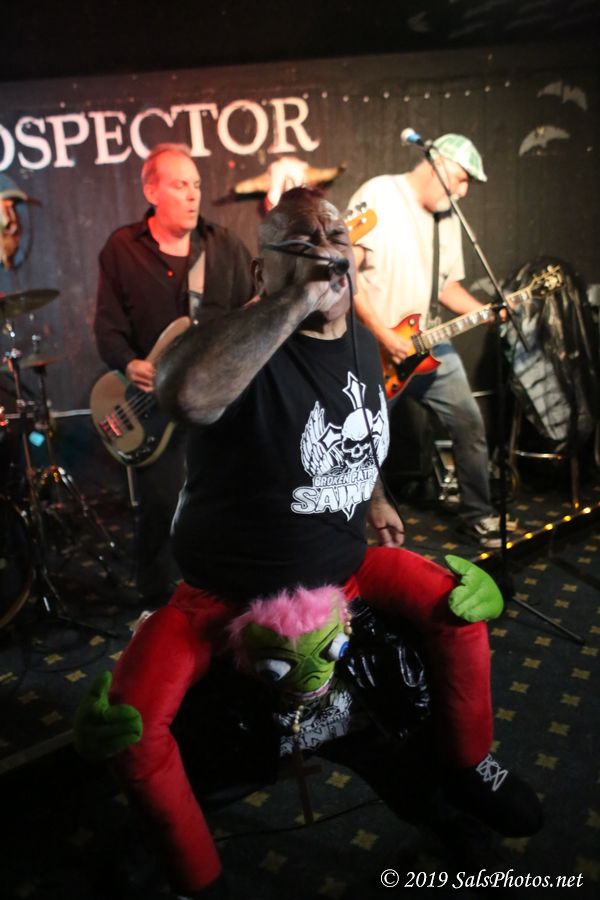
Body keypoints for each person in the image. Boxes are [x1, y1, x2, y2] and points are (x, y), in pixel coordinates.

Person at [83, 189, 541, 899]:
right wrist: (296, 299)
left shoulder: (357, 337)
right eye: (303, 242)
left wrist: (376, 495)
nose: (328, 252)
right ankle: (182, 861)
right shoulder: (226, 338)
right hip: (228, 603)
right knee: (173, 740)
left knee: (443, 628)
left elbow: (358, 423)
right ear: (262, 269)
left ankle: (463, 772)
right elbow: (189, 396)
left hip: (341, 582)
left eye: (336, 237)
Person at [93, 143, 254, 602]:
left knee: (229, 504)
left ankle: (224, 600)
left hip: (217, 405)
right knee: (163, 511)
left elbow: (252, 317)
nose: (192, 194)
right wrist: (130, 363)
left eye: (196, 185)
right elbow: (107, 328)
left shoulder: (224, 246)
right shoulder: (122, 249)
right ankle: (157, 606)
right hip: (153, 411)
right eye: (180, 184)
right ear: (151, 191)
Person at [348, 134, 505, 548]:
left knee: (469, 422)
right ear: (436, 164)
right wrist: (382, 333)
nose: (464, 190)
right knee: (363, 441)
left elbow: (446, 287)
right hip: (378, 349)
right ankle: (356, 533)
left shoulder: (446, 218)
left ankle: (478, 516)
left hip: (428, 345)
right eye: (462, 178)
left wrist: (486, 312)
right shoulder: (379, 195)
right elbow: (346, 273)